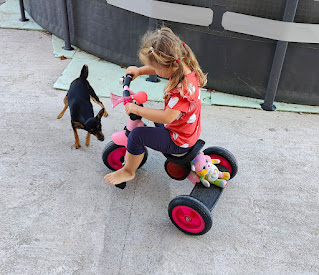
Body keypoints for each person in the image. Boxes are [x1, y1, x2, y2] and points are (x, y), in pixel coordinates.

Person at [104, 27, 207, 186]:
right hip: (186, 128)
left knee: (137, 135)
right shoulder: (183, 64)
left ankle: (128, 171)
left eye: (156, 68)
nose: (155, 71)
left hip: (178, 141)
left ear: (166, 67)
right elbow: (159, 67)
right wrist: (139, 71)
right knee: (155, 115)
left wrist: (137, 109)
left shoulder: (182, 90)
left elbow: (167, 117)